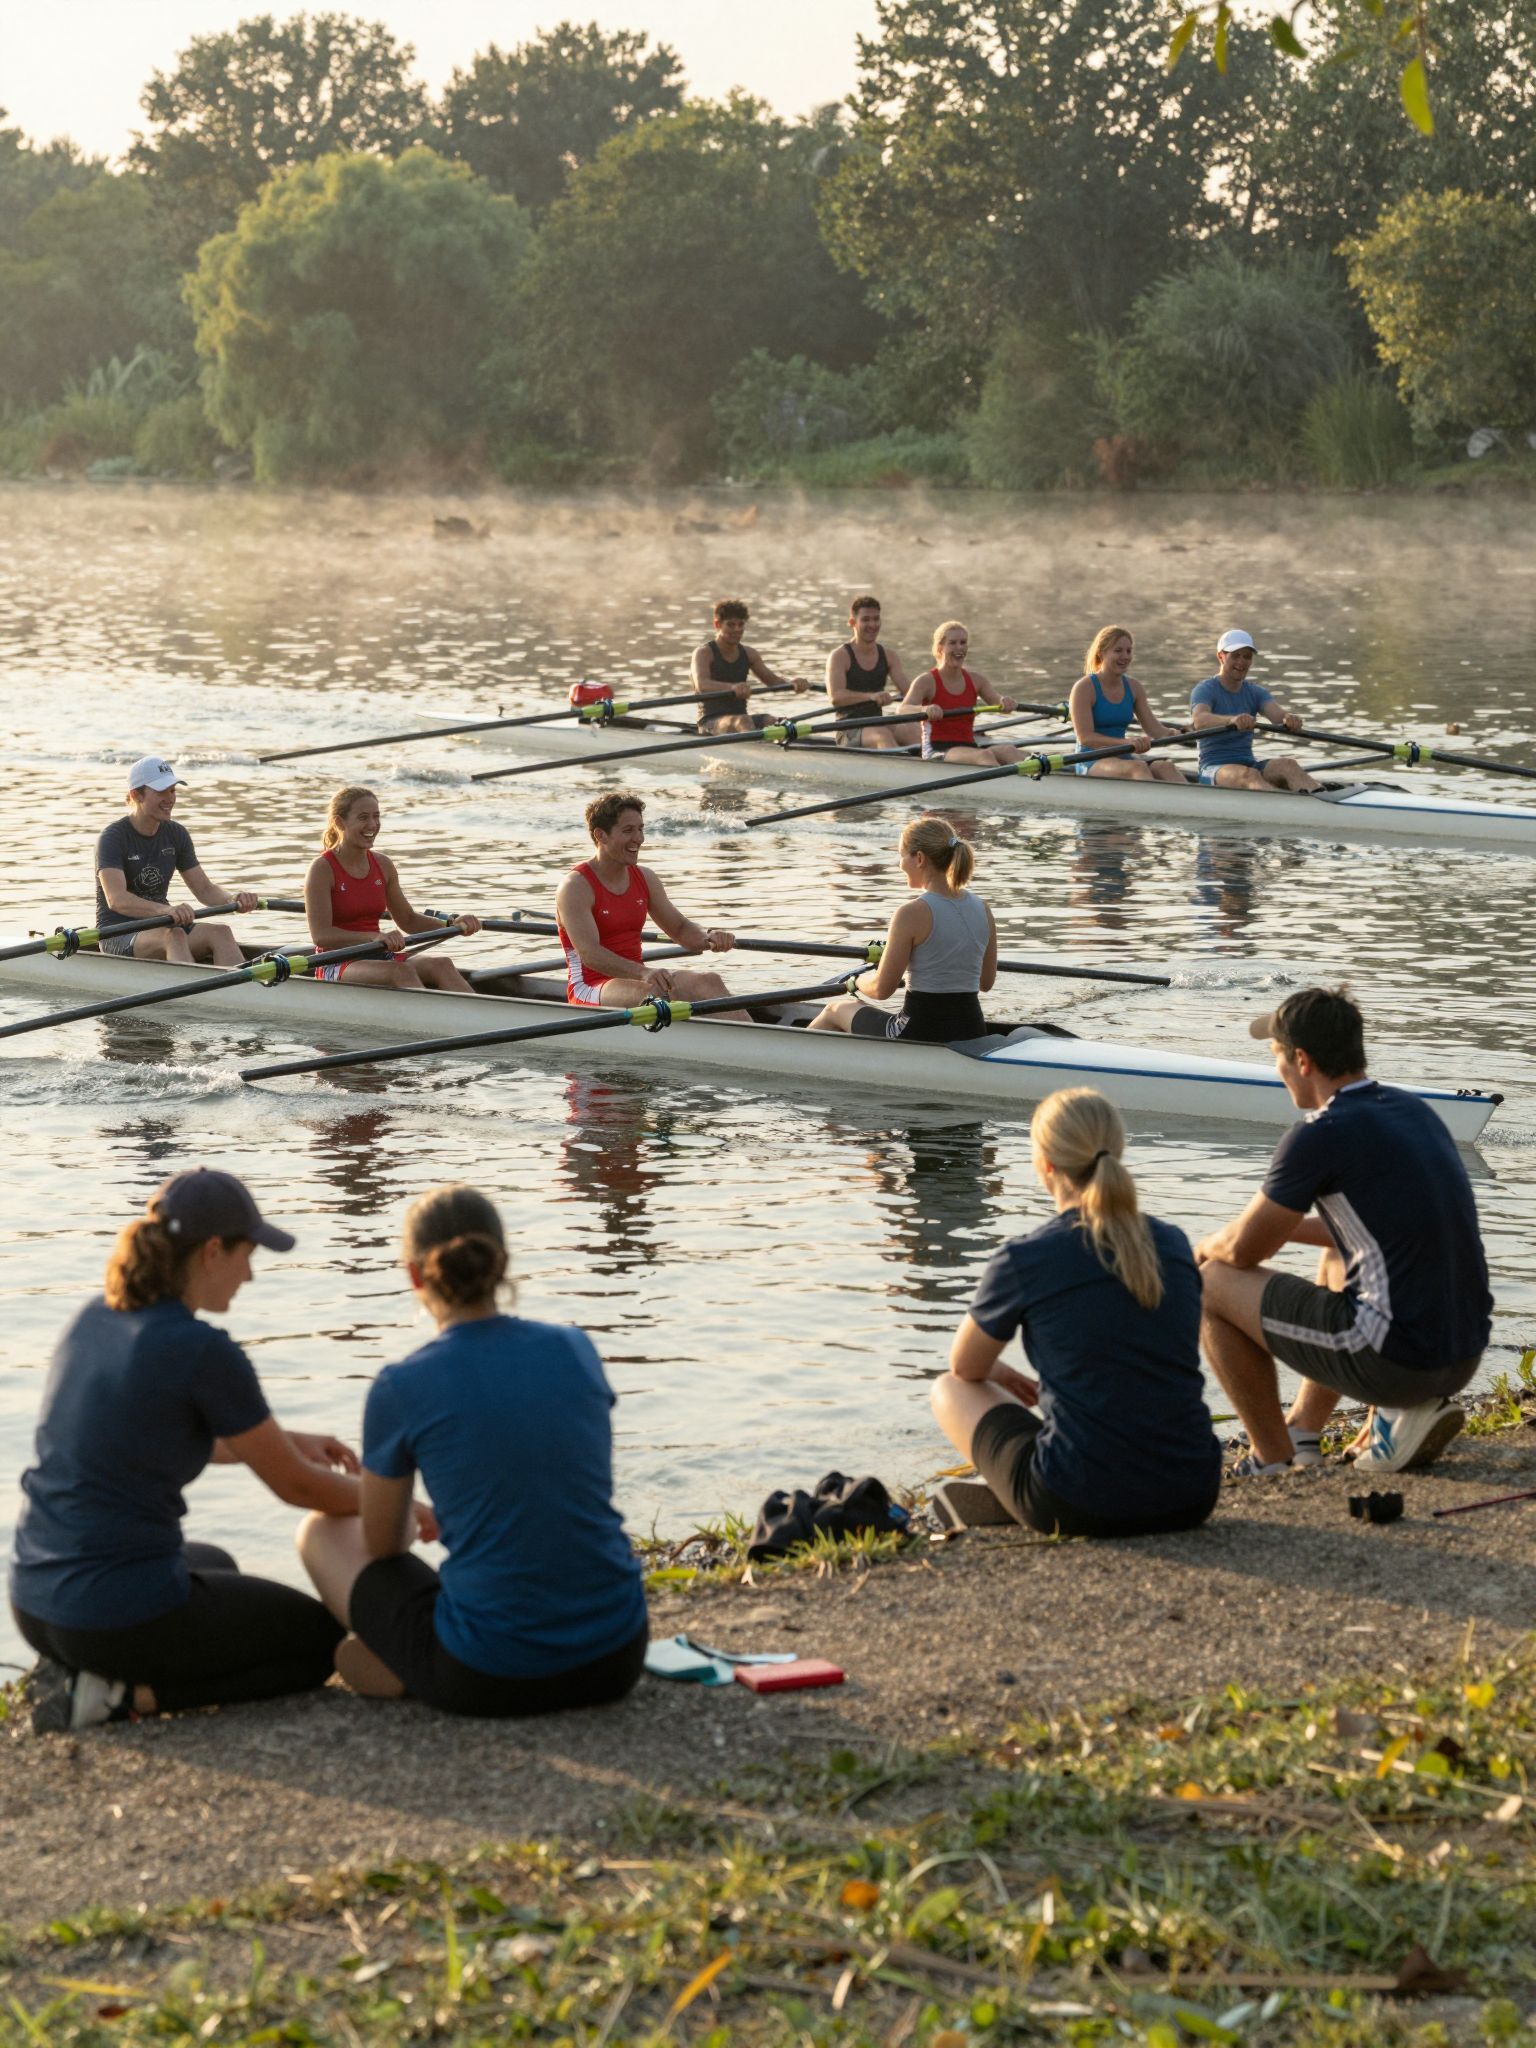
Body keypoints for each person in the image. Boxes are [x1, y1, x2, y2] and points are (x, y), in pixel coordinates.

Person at [9, 1170, 375, 1733]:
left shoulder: (96, 1318)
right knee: (317, 1642)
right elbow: (297, 1489)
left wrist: (288, 1442)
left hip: (34, 1600)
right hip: (110, 1617)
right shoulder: (202, 1350)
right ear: (212, 1251)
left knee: (214, 1563)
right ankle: (121, 1696)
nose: (250, 1275)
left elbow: (149, 1434)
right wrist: (390, 1506)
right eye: (247, 1255)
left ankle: (72, 1668)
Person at [297, 1185, 648, 1716]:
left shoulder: (400, 1385)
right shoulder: (574, 1347)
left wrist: (413, 1521)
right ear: (502, 1262)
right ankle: (405, 1659)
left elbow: (384, 1546)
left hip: (491, 1676)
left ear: (414, 1276)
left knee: (321, 1533)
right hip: (617, 1655)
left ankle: (403, 1663)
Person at [1195, 987, 1491, 1475]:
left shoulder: (1317, 1134)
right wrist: (1290, 1229)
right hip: (1463, 1356)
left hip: (1396, 1361)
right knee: (1339, 1249)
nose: (1277, 1070)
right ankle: (1304, 1433)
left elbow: (1246, 1250)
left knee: (1212, 1283)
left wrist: (1206, 1246)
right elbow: (1381, 1229)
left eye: (1277, 1057)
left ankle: (1272, 1457)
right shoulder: (1413, 1110)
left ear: (1303, 1060)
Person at [931, 1089, 1221, 1536]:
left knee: (948, 1388)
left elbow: (965, 1366)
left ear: (1046, 1165)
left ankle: (1014, 1490)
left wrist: (1001, 1373)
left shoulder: (1024, 1259)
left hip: (1078, 1500)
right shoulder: (1173, 1242)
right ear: (1118, 1151)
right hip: (1191, 1492)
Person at [554, 791, 747, 1019]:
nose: (639, 839)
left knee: (709, 981)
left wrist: (709, 937)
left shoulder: (645, 878)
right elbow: (590, 954)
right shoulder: (575, 887)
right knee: (658, 991)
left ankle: (761, 1043)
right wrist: (644, 972)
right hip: (590, 987)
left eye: (641, 829)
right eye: (628, 831)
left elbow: (681, 929)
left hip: (636, 979)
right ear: (601, 835)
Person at [809, 815, 996, 1042]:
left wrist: (854, 982)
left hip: (917, 1032)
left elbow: (881, 990)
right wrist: (907, 958)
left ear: (919, 858)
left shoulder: (910, 913)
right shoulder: (983, 909)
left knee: (836, 1009)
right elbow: (985, 983)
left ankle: (788, 1057)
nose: (899, 864)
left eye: (901, 855)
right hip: (972, 1031)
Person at [305, 787, 481, 990]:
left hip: (379, 954)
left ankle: (482, 1019)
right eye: (363, 817)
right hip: (335, 962)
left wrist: (452, 925)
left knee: (441, 964)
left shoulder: (383, 864)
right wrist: (373, 936)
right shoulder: (322, 868)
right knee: (401, 971)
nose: (372, 825)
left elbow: (408, 919)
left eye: (376, 816)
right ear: (339, 822)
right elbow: (321, 935)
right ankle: (431, 1019)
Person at [95, 755, 260, 968]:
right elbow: (117, 899)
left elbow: (205, 890)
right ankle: (192, 998)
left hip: (163, 925)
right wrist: (164, 910)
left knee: (221, 932)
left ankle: (243, 995)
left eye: (172, 790)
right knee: (174, 936)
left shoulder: (176, 834)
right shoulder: (112, 838)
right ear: (137, 794)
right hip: (118, 933)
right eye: (161, 791)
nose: (170, 798)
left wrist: (233, 898)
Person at [1189, 630, 1320, 793]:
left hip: (1249, 765)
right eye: (1235, 656)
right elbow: (1200, 720)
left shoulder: (1256, 692)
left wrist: (1289, 718)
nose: (1241, 662)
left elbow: (1278, 716)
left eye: (1247, 657)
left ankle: (1326, 801)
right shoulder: (1205, 689)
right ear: (1221, 657)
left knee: (1287, 765)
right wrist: (1231, 721)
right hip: (1214, 768)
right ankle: (1284, 808)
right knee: (1249, 775)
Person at [1069, 627, 1185, 783]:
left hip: (1122, 755)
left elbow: (1155, 730)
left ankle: (1197, 806)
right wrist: (1127, 742)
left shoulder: (1134, 687)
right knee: (1137, 768)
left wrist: (1180, 733)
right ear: (1101, 653)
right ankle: (1154, 806)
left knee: (1166, 767)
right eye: (1118, 651)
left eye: (1129, 651)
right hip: (1090, 758)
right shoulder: (1084, 687)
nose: (1125, 656)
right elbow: (1086, 738)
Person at [899, 622, 1020, 765]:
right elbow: (902, 709)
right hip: (937, 751)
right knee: (984, 756)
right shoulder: (926, 681)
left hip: (969, 748)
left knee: (1010, 751)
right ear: (940, 648)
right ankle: (1005, 786)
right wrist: (924, 709)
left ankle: (1036, 781)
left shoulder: (976, 680)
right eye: (952, 643)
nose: (959, 647)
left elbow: (997, 701)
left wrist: (1005, 702)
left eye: (963, 643)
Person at [690, 598, 808, 733]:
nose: (737, 630)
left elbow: (774, 682)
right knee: (743, 721)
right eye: (731, 625)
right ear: (717, 624)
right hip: (710, 722)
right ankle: (756, 751)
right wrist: (732, 687)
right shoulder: (704, 653)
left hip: (741, 720)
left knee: (779, 723)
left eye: (741, 625)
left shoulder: (749, 653)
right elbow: (702, 685)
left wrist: (794, 684)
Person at [824, 595, 919, 750]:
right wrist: (871, 696)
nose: (872, 625)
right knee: (881, 735)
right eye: (866, 620)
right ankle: (901, 769)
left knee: (913, 731)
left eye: (876, 619)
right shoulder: (839, 656)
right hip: (849, 729)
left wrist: (933, 703)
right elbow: (836, 697)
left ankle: (930, 767)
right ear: (852, 623)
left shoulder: (889, 656)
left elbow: (911, 694)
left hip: (877, 722)